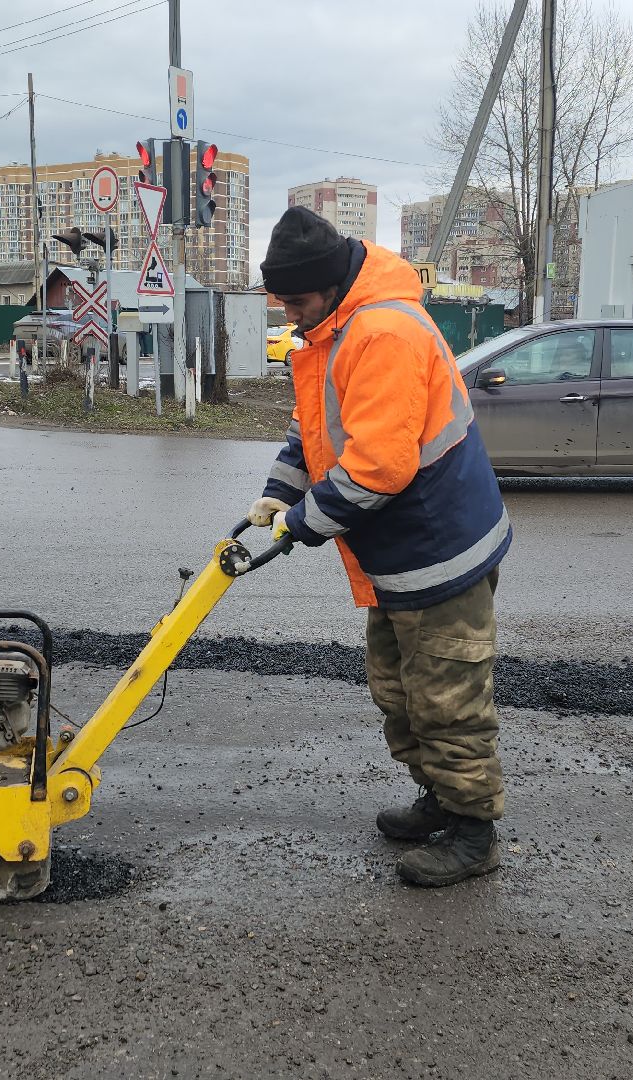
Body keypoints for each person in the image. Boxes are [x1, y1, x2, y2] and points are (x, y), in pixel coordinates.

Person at [249, 206, 512, 888]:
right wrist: (282, 490)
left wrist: (303, 523)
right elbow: (317, 425)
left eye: (297, 304)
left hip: (438, 548)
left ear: (329, 285)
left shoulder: (383, 332)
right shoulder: (334, 330)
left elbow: (378, 468)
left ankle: (473, 832)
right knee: (399, 692)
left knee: (447, 698)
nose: (291, 319)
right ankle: (440, 801)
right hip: (396, 556)